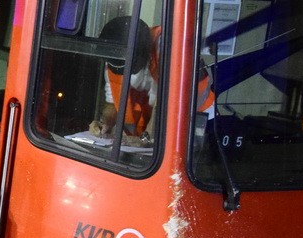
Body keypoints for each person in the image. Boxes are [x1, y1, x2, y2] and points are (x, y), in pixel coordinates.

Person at [88, 16, 213, 146]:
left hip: (196, 113)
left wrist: (146, 138)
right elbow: (112, 103)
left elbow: (167, 101)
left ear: (145, 52)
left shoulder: (168, 46)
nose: (125, 73)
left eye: (131, 67)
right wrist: (104, 122)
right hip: (151, 121)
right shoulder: (114, 58)